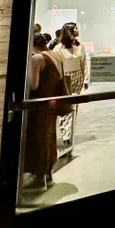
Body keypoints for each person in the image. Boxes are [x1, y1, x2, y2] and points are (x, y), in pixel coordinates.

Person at [24, 33, 70, 190]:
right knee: (49, 137)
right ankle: (49, 175)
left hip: (39, 106)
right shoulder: (56, 55)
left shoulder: (37, 59)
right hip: (51, 105)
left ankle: (39, 178)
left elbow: (33, 85)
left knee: (38, 139)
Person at [55, 23, 88, 149]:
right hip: (65, 77)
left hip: (77, 77)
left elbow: (84, 63)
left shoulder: (80, 46)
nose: (77, 30)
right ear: (69, 31)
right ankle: (65, 134)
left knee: (74, 105)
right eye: (75, 28)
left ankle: (70, 132)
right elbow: (56, 63)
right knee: (66, 104)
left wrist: (85, 79)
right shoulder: (59, 48)